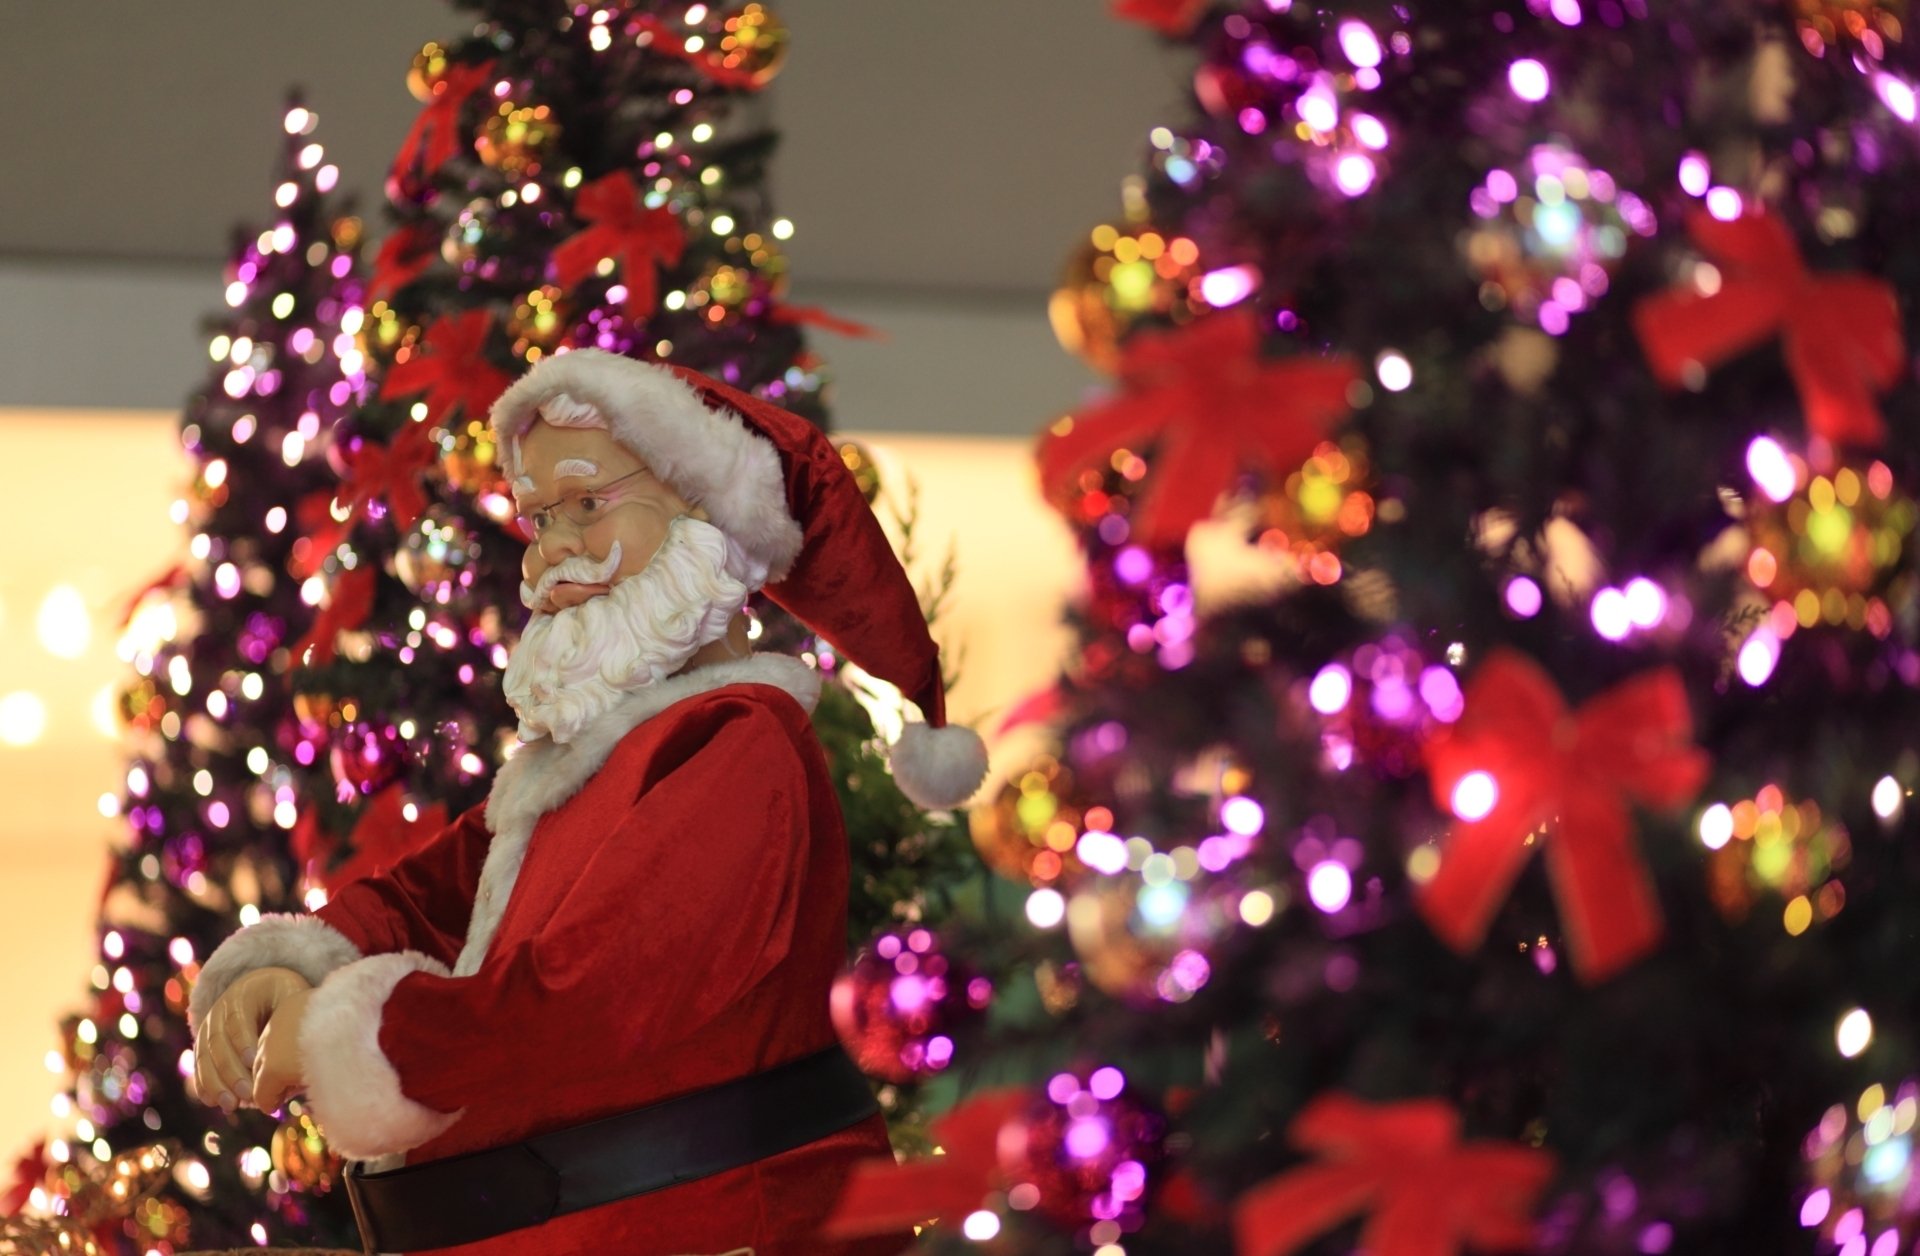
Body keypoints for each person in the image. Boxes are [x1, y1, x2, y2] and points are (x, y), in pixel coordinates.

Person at [186, 350, 987, 1255]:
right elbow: (429, 901)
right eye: (539, 519)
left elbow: (592, 1005)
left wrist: (351, 1039)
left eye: (589, 503)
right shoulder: (585, 760)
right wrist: (296, 968)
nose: (555, 546)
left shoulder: (739, 744)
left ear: (707, 511)